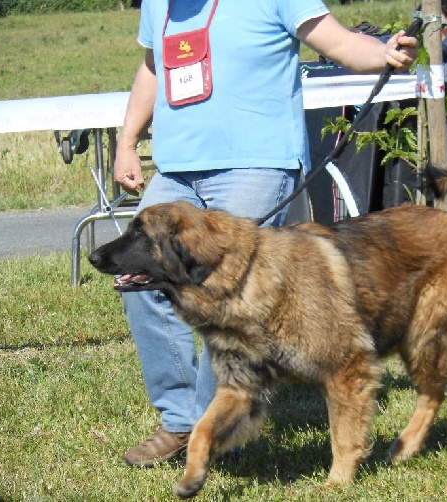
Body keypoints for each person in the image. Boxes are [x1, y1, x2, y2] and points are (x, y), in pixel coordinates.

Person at [113, 0, 418, 467]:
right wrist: (127, 141)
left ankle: (210, 431)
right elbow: (153, 68)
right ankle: (179, 421)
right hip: (175, 170)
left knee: (226, 299)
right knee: (140, 286)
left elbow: (338, 42)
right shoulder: (160, 4)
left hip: (254, 162)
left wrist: (384, 53)